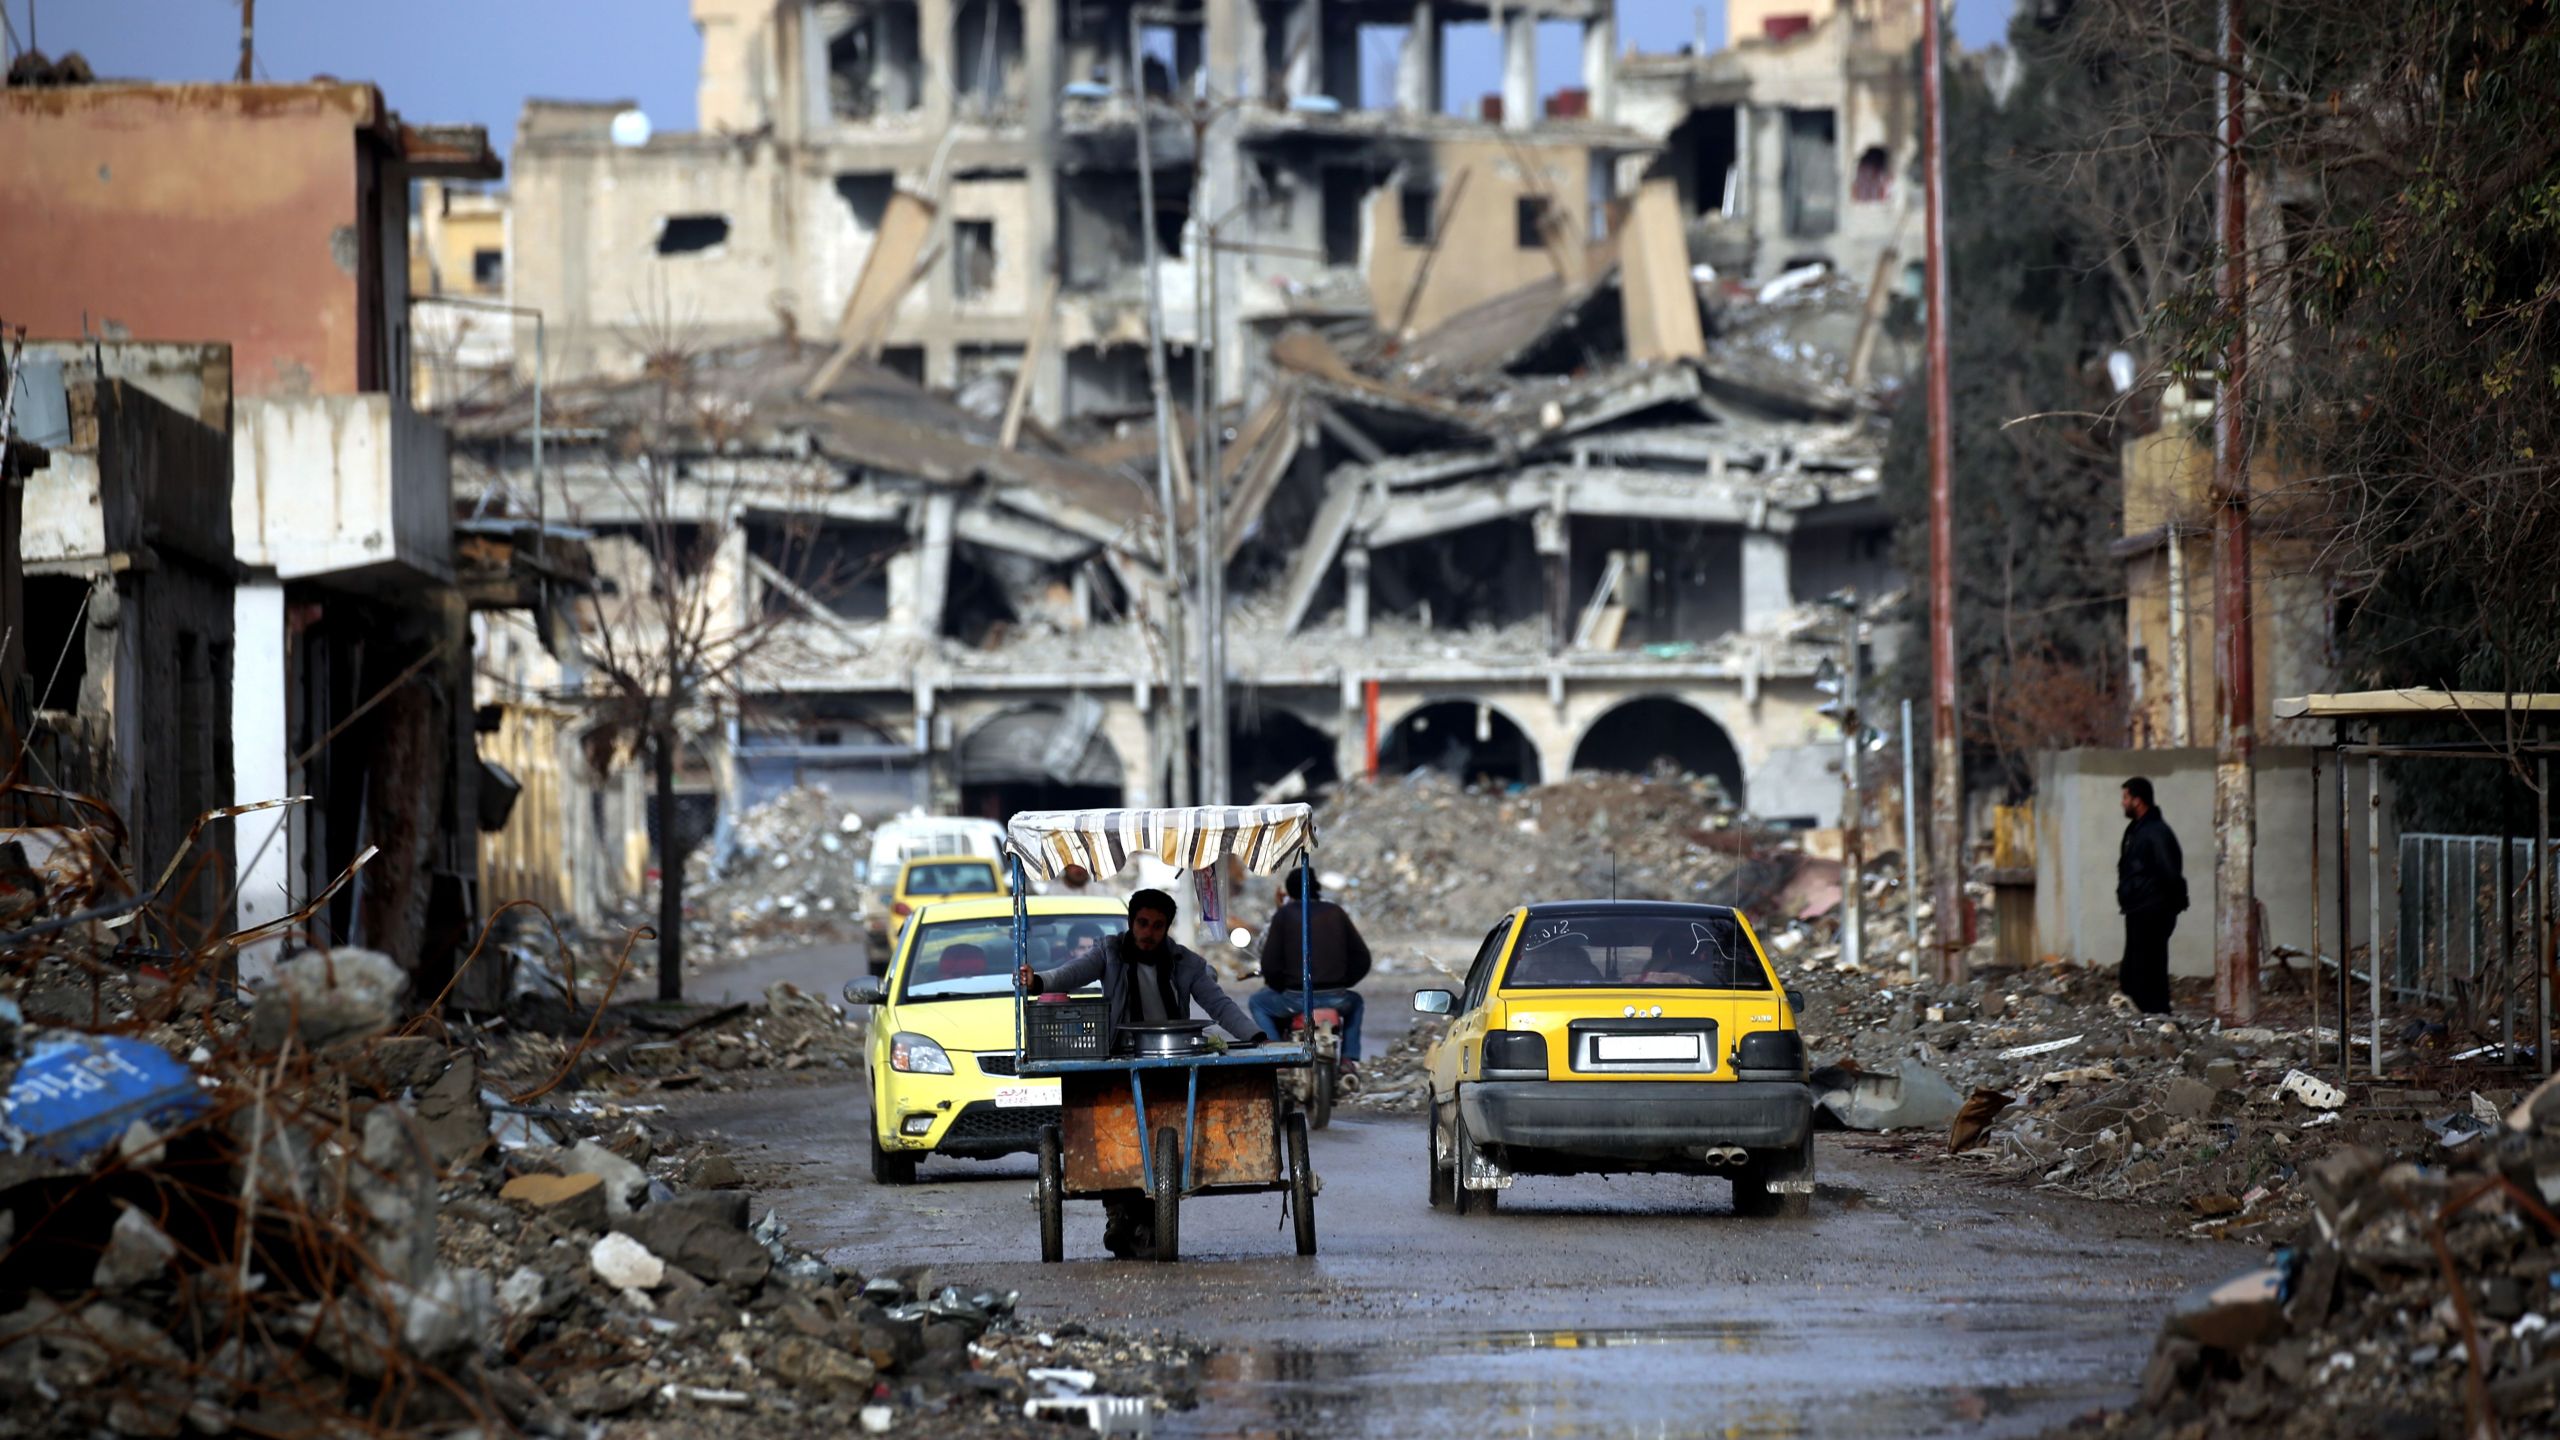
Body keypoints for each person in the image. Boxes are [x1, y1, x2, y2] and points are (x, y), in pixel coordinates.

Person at [1025, 889, 1266, 1258]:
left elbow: (1218, 1004)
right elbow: (1071, 974)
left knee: (1165, 1132)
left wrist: (1253, 1034)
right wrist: (1037, 982)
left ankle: (1150, 1218)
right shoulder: (1108, 951)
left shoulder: (1186, 963)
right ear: (1130, 923)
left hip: (1172, 1058)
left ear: (1166, 928)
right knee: (1112, 1135)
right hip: (1120, 1058)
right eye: (1142, 923)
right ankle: (1119, 1213)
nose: (1148, 933)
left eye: (1157, 926)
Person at [1248, 876, 1373, 1075]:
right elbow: (1362, 957)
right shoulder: (1335, 912)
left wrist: (1279, 985)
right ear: (1317, 888)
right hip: (1337, 996)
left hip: (1295, 997)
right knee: (1356, 1002)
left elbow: (1269, 961)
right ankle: (1349, 1059)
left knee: (1257, 1002)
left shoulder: (1283, 914)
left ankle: (1277, 1055)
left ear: (1288, 892)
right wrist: (1344, 981)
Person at [2116, 776, 2188, 1015]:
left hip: (2152, 909)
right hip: (2140, 907)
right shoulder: (2138, 830)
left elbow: (2170, 871)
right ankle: (2147, 1015)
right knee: (2135, 969)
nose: (2122, 803)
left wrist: (2170, 903)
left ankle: (2156, 1015)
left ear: (2138, 800)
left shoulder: (2155, 832)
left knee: (2149, 967)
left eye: (2125, 797)